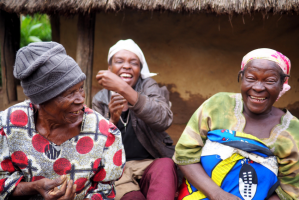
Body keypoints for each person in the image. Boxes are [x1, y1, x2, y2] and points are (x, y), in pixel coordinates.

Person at [0, 42, 125, 200]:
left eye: (80, 88)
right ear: (40, 101)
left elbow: (105, 192)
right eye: (69, 93)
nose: (81, 99)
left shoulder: (104, 134)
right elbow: (2, 180)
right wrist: (34, 187)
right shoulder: (10, 125)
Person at [173, 48, 299, 200]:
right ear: (241, 77)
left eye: (270, 81)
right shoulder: (217, 105)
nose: (258, 87)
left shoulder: (293, 131)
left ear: (282, 84)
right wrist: (218, 195)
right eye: (251, 78)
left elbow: (290, 191)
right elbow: (185, 156)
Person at [92, 39, 177, 200]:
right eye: (119, 61)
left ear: (140, 69)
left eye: (134, 62)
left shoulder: (148, 86)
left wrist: (123, 88)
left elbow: (164, 119)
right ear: (110, 69)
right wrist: (112, 120)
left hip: (150, 163)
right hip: (119, 169)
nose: (126, 66)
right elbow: (96, 147)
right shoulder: (100, 99)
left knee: (166, 164)